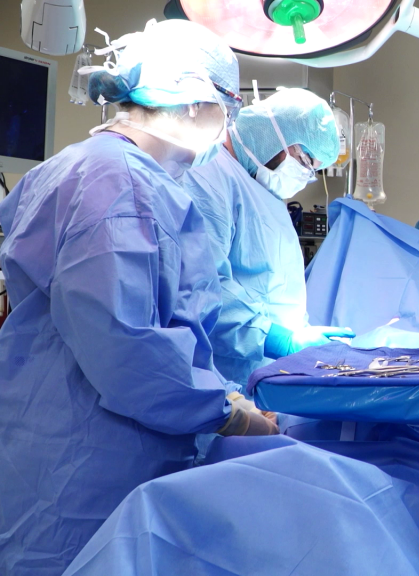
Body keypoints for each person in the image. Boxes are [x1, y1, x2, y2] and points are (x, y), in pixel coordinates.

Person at [0, 20, 278, 576]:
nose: (227, 124)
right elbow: (122, 342)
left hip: (59, 442)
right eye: (228, 106)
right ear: (197, 100)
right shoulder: (113, 181)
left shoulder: (97, 172)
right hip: (86, 472)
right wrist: (226, 411)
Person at [180, 89, 351, 384]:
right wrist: (280, 340)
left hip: (265, 376)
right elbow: (202, 289)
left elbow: (275, 289)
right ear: (276, 134)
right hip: (225, 380)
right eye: (306, 162)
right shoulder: (207, 173)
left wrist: (300, 338)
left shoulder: (261, 191)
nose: (306, 176)